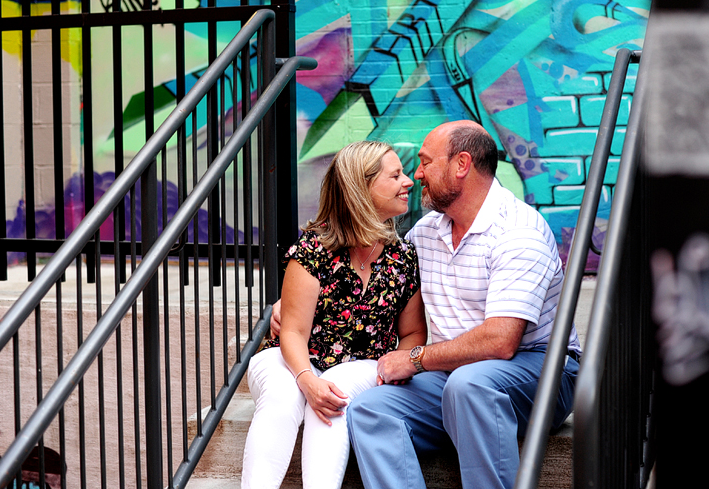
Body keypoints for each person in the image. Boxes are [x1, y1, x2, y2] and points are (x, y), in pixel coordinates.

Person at [347, 120, 581, 489]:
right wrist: (297, 302)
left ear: (461, 165)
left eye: (425, 162)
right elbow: (369, 275)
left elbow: (500, 342)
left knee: (470, 385)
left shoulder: (519, 232)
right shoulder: (426, 232)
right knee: (370, 410)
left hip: (540, 371)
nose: (417, 174)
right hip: (453, 374)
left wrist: (414, 358)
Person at [240, 141, 427, 489]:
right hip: (291, 358)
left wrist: (396, 364)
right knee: (284, 396)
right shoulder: (314, 248)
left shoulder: (403, 257)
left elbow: (414, 333)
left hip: (365, 365)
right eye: (396, 175)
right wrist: (307, 380)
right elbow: (292, 332)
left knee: (335, 395)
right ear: (362, 187)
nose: (409, 182)